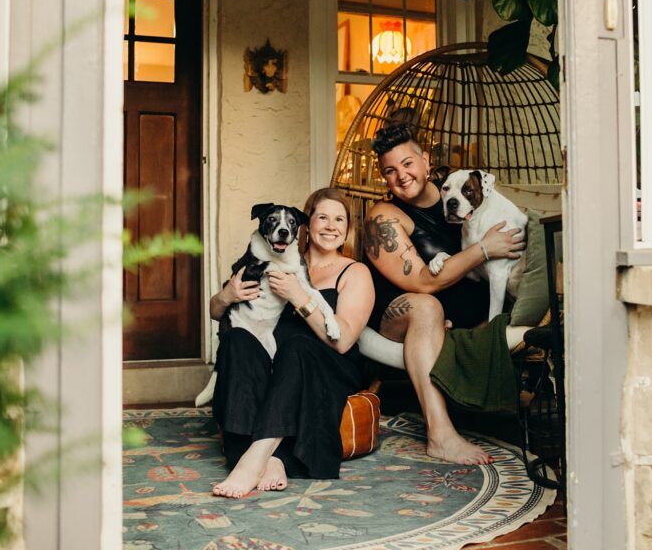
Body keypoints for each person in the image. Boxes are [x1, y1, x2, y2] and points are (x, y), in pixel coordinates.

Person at [364, 124, 525, 465]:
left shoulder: (459, 190)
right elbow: (423, 282)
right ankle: (440, 435)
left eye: (408, 164)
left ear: (425, 161)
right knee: (426, 307)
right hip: (399, 313)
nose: (402, 176)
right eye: (390, 171)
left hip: (465, 315)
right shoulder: (384, 216)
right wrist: (484, 248)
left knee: (437, 310)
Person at [209, 188, 375, 498]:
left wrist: (299, 296)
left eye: (339, 219)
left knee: (297, 345)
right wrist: (225, 296)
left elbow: (343, 340)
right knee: (237, 341)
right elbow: (219, 313)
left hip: (325, 366)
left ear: (347, 229)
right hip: (273, 358)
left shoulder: (355, 272)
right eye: (322, 217)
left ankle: (252, 458)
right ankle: (272, 459)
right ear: (305, 224)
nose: (330, 226)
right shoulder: (268, 258)